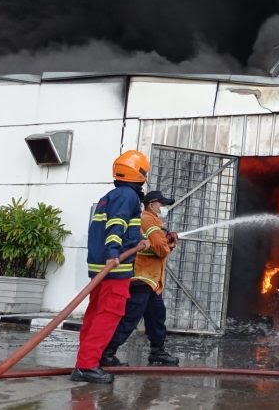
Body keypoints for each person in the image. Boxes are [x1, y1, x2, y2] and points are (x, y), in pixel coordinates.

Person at [71, 150, 152, 384]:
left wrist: (138, 241)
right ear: (139, 173)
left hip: (101, 267)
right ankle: (87, 365)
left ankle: (87, 361)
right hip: (114, 269)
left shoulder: (112, 195)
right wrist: (114, 253)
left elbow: (121, 225)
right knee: (108, 316)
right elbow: (116, 225)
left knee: (95, 314)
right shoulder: (128, 196)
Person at [101, 190, 180, 367]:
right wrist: (169, 244)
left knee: (157, 316)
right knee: (130, 317)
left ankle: (157, 352)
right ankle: (107, 353)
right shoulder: (148, 219)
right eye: (162, 204)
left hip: (150, 281)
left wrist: (167, 241)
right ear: (152, 204)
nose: (164, 207)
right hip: (141, 279)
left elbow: (157, 245)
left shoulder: (152, 221)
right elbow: (161, 249)